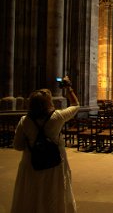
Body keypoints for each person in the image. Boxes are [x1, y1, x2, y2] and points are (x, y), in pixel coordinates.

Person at [11, 76, 80, 213]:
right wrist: (68, 87)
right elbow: (75, 105)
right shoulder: (57, 117)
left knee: (32, 193)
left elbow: (18, 146)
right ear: (48, 102)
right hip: (54, 163)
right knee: (53, 191)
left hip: (31, 164)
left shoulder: (24, 120)